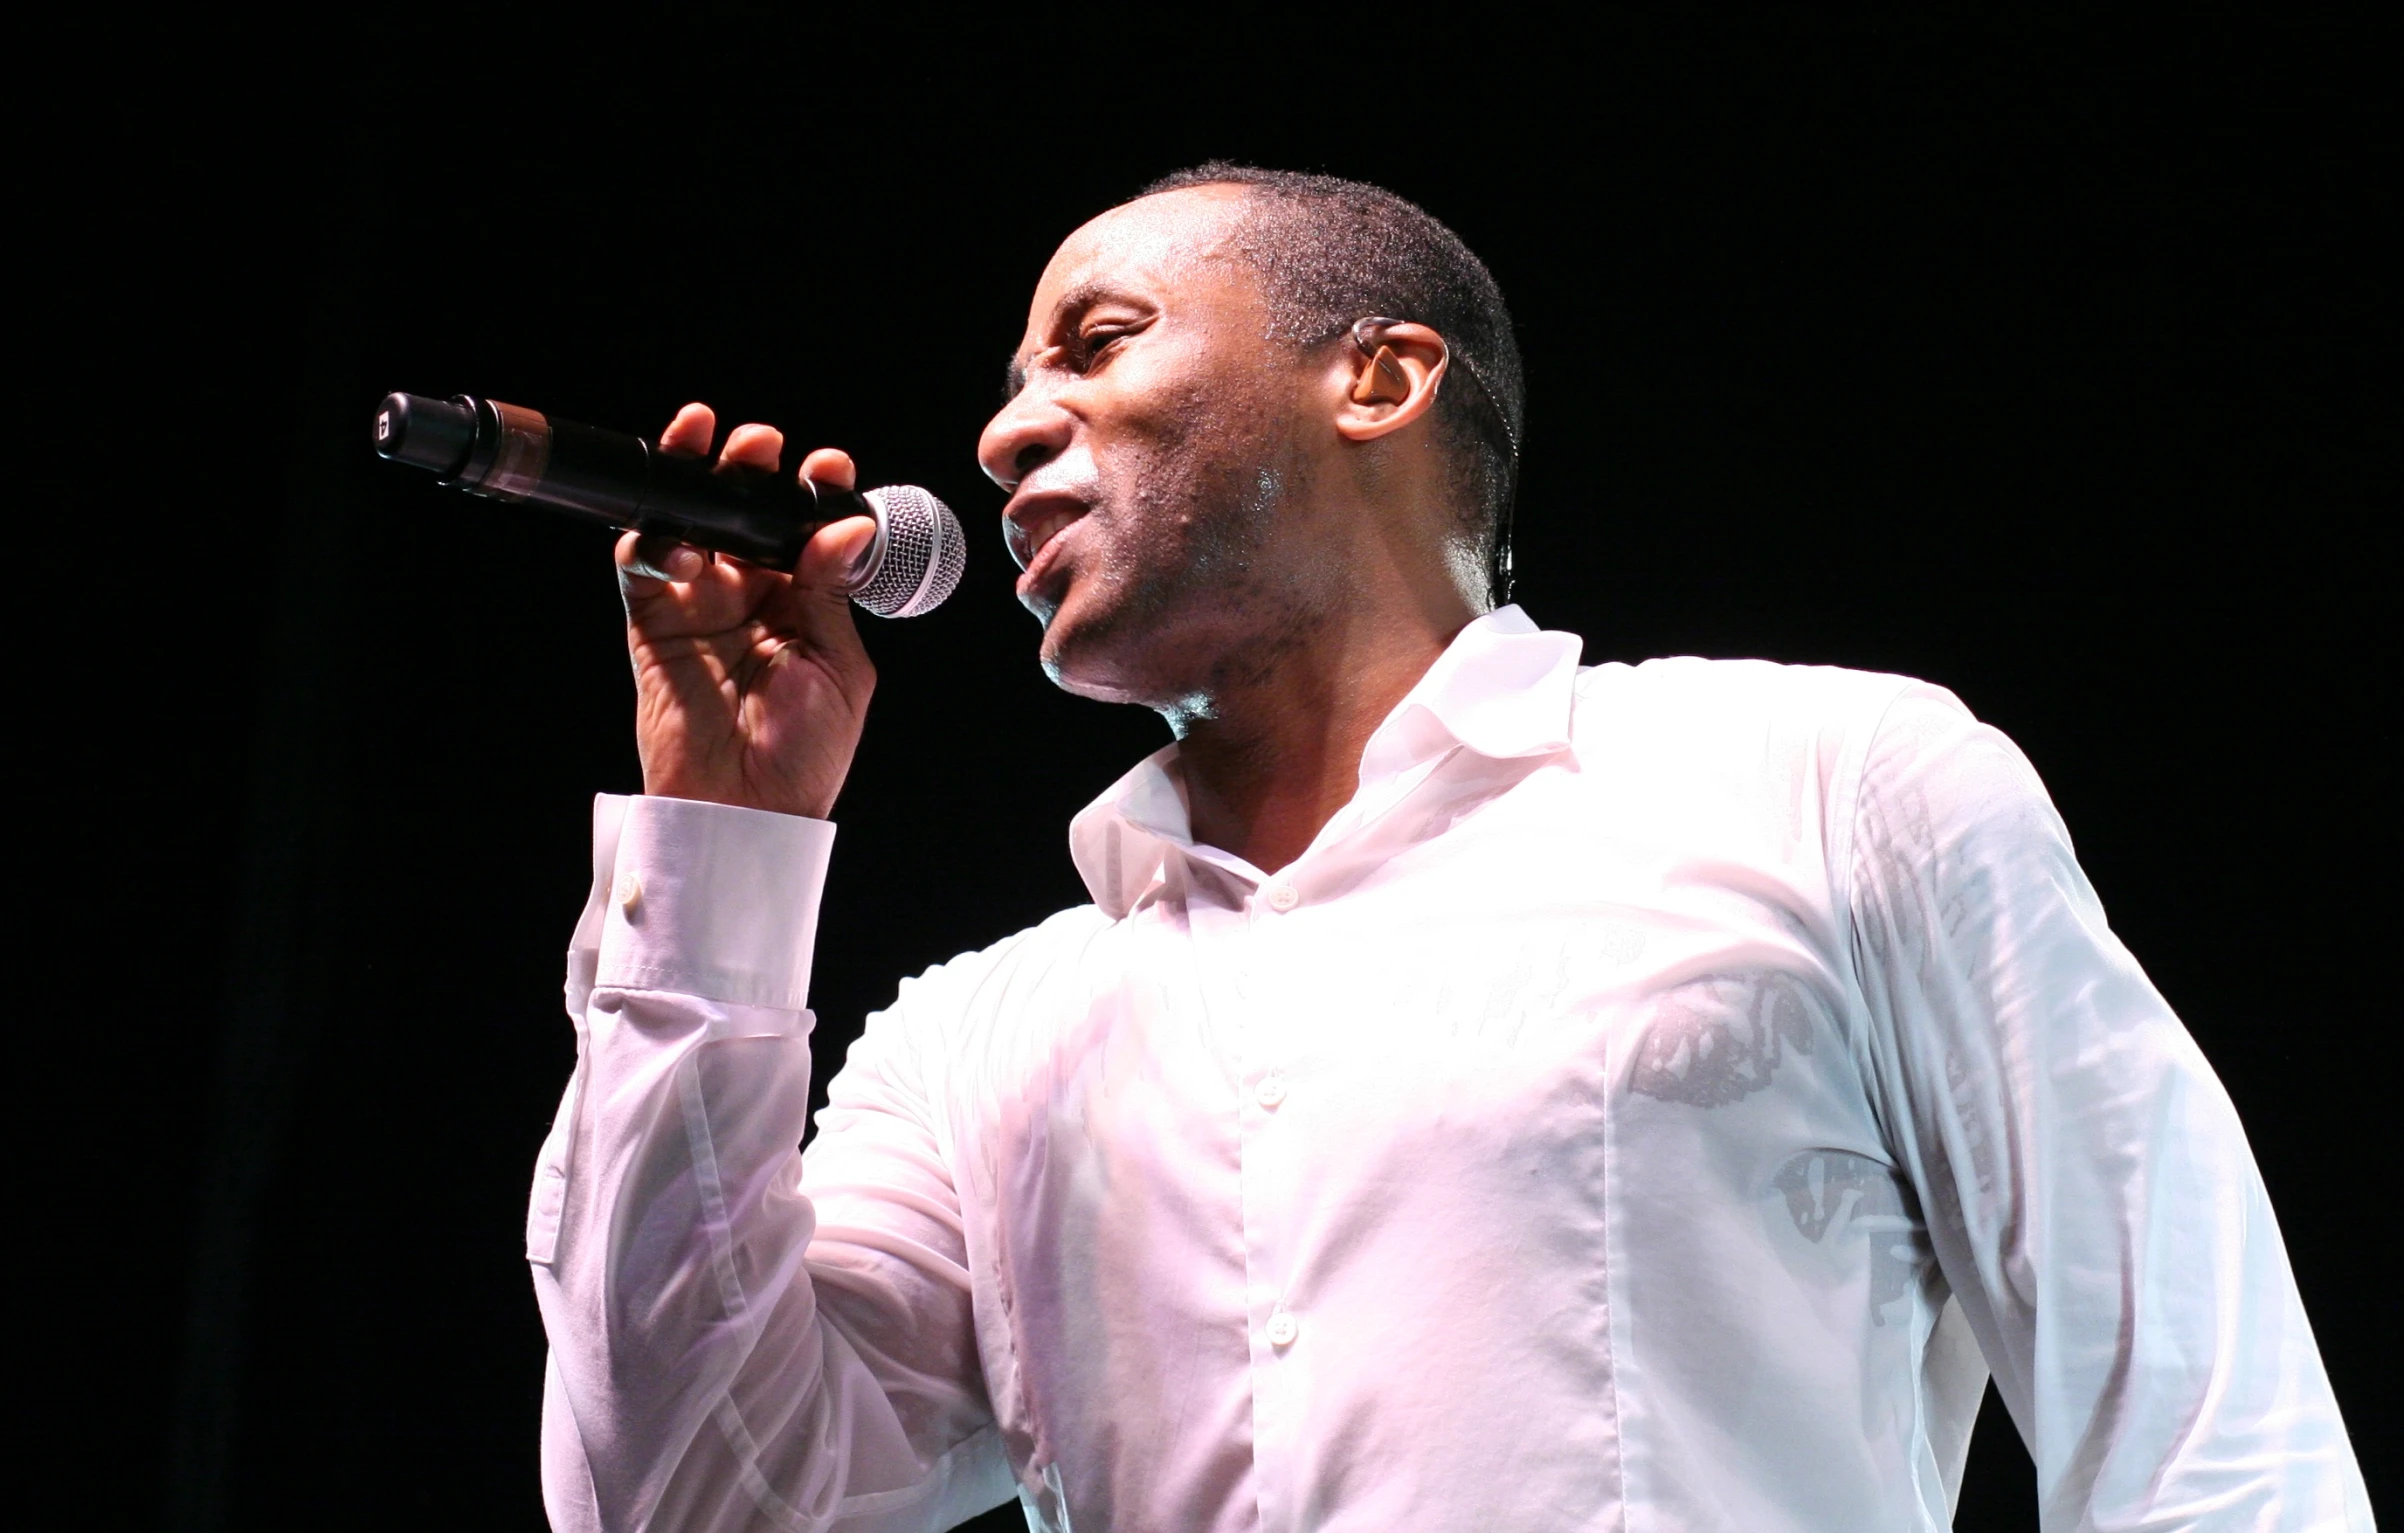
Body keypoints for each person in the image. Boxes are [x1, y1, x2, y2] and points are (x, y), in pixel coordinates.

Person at [525, 165, 2368, 1532]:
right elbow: (685, 1499)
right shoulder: (984, 1038)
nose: (1007, 428)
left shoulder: (1823, 781)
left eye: (1096, 343)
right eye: (1016, 382)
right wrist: (716, 844)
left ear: (1381, 378)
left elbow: (2204, 1423)